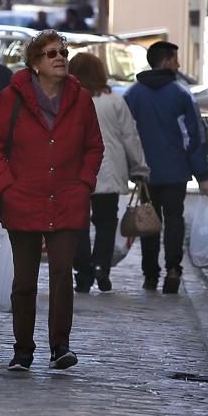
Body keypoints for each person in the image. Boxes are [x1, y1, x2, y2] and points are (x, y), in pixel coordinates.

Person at [0, 30, 104, 372]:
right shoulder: (13, 97)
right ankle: (23, 349)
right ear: (35, 63)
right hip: (23, 200)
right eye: (51, 54)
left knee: (63, 274)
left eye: (63, 53)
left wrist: (84, 183)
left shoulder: (80, 99)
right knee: (24, 280)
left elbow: (94, 146)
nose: (60, 58)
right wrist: (7, 187)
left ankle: (60, 346)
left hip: (68, 198)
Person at [123, 41, 208, 294]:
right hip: (175, 172)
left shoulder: (133, 95)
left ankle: (150, 274)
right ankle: (173, 269)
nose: (178, 64)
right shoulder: (181, 94)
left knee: (148, 223)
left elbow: (126, 135)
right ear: (164, 62)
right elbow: (194, 137)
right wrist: (203, 175)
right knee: (174, 220)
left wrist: (130, 168)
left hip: (145, 174)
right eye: (175, 59)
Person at [68, 53, 149, 293]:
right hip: (109, 170)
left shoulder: (69, 99)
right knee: (105, 223)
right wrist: (139, 167)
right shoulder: (114, 101)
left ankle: (82, 271)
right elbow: (129, 136)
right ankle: (101, 265)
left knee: (77, 224)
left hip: (77, 170)